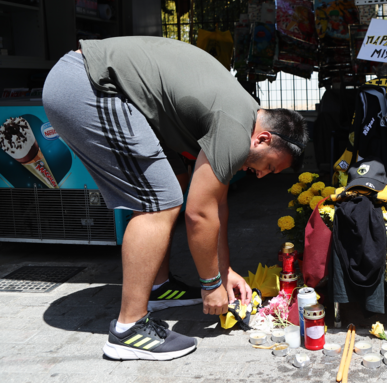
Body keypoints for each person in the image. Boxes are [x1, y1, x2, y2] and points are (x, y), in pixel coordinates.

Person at [42, 36, 308, 361]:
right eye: (268, 166)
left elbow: (215, 207)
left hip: (89, 82)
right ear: (263, 138)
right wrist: (210, 285)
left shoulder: (240, 114)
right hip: (88, 84)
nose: (262, 175)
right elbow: (197, 214)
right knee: (161, 200)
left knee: (172, 186)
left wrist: (223, 273)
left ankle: (158, 287)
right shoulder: (235, 127)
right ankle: (129, 328)